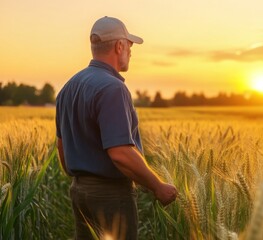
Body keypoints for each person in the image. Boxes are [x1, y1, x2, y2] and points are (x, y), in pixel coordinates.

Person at [55, 16, 178, 240]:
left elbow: (61, 147)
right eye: (130, 45)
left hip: (79, 191)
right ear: (119, 46)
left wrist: (83, 179)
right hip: (109, 194)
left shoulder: (68, 87)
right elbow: (120, 153)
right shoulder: (112, 88)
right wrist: (157, 186)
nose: (131, 51)